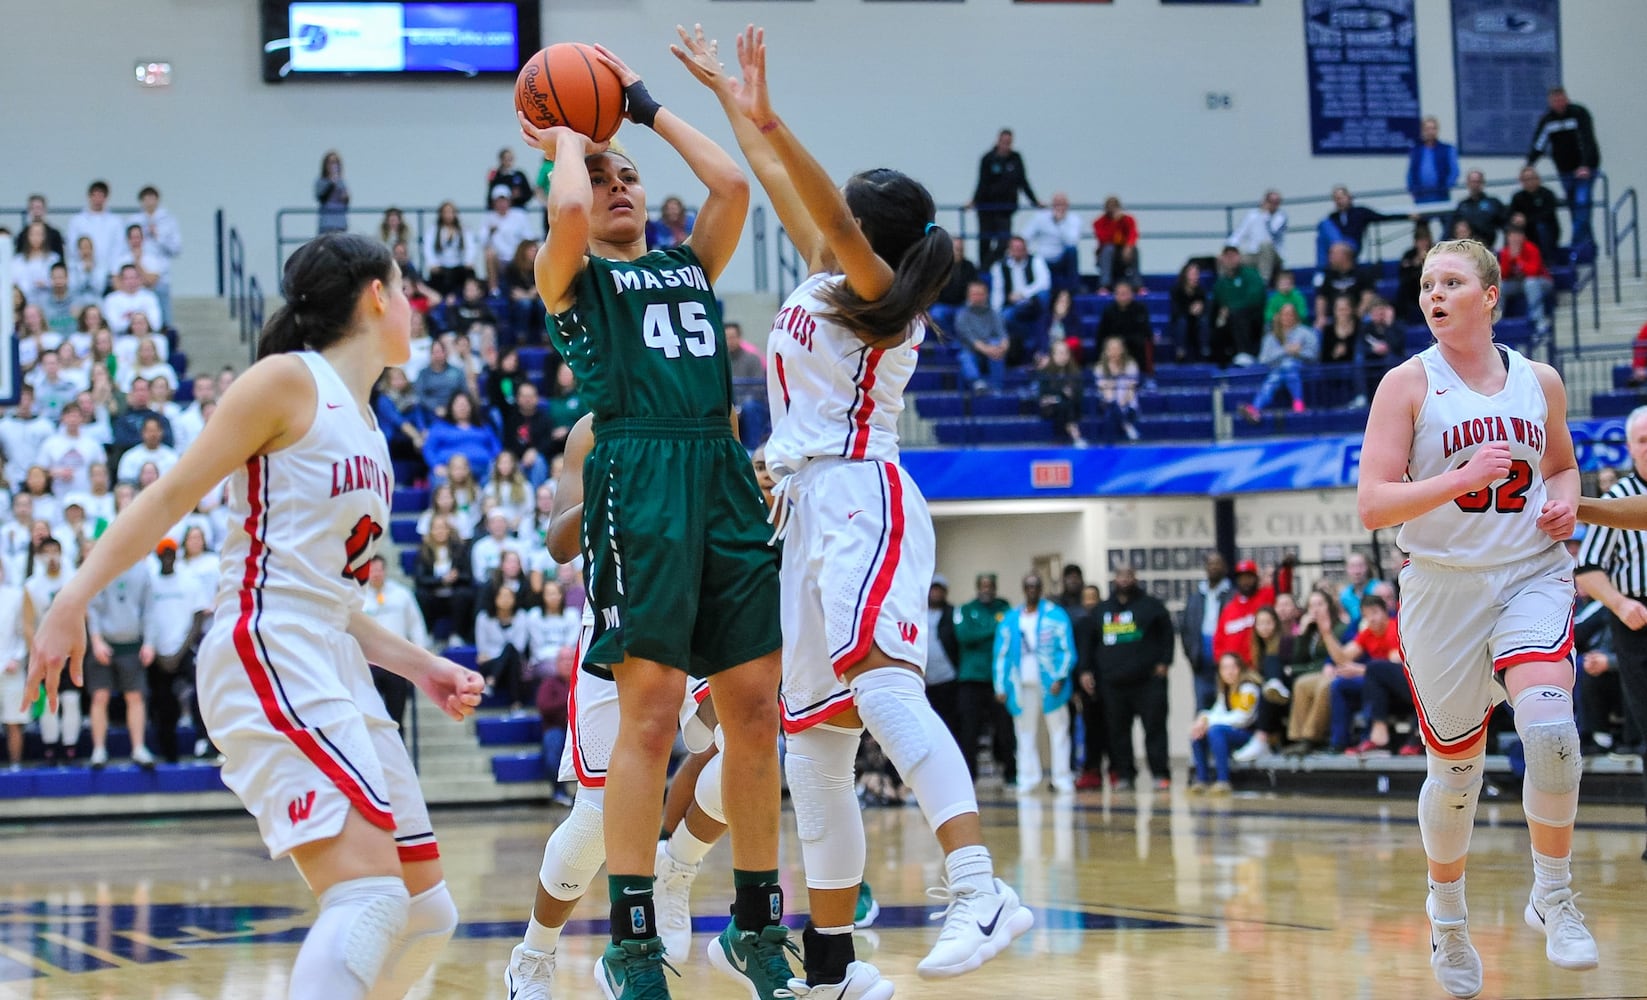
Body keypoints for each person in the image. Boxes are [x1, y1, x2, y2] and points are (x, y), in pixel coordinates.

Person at [27, 233, 486, 999]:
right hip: (264, 643)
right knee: (369, 896)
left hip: (324, 648)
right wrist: (71, 599)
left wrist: (420, 663)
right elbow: (172, 495)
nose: (414, 310)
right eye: (405, 291)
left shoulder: (369, 425)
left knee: (423, 911)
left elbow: (331, 598)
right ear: (376, 295)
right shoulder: (285, 381)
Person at [693, 23, 1033, 994]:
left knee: (883, 693)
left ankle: (980, 887)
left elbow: (825, 204)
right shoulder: (829, 276)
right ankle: (835, 969)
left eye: (843, 210)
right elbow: (776, 176)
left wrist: (773, 111)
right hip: (801, 512)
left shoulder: (883, 290)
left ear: (871, 231)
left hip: (862, 497)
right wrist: (733, 98)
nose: (825, 210)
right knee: (817, 744)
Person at [521, 34, 795, 999]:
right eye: (604, 181)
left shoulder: (686, 264)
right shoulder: (570, 277)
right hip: (637, 478)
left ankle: (757, 926)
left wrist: (637, 108)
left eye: (628, 177)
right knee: (646, 724)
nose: (618, 187)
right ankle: (632, 943)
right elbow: (562, 208)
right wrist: (569, 139)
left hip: (716, 469)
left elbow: (731, 188)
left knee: (755, 710)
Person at [1358, 237, 1597, 998]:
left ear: (1488, 296)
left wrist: (1562, 501)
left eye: (1450, 282)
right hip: (1441, 590)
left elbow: (1559, 463)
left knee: (1552, 736)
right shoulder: (1405, 384)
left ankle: (1552, 896)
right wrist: (1455, 478)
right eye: (1426, 283)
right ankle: (1448, 916)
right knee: (1454, 773)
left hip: (1529, 573)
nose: (1433, 294)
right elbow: (1371, 503)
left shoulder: (1539, 381)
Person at [503, 414, 738, 995]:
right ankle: (533, 954)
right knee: (595, 816)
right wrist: (615, 480)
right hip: (620, 614)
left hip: (699, 608)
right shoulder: (591, 427)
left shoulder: (711, 405)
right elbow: (559, 542)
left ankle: (676, 869)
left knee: (743, 751)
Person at [1573, 404, 1647, 863]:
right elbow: (1586, 569)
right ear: (1631, 447)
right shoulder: (1619, 497)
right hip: (1637, 623)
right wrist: (1620, 603)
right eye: (1642, 441)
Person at [1094, 565, 1174, 791]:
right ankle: (1124, 774)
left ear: (1135, 578)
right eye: (1120, 576)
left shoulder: (1152, 606)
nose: (1124, 580)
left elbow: (1167, 635)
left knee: (1155, 729)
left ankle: (1160, 773)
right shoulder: (1102, 610)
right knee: (1118, 732)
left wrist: (1165, 662)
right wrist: (1090, 671)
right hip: (1114, 684)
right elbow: (1092, 642)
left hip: (1148, 682)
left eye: (1128, 575)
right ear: (1114, 579)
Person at [993, 573, 1075, 794]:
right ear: (1023, 588)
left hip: (1050, 685)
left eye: (1036, 586)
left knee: (1059, 731)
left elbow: (1067, 649)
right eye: (1028, 585)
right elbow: (1001, 654)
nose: (1032, 589)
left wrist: (1060, 676)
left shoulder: (1055, 615)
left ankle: (1062, 778)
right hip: (1020, 685)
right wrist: (1000, 685)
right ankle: (1028, 777)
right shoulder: (1011, 619)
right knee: (1024, 731)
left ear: (1041, 588)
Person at [955, 573, 1014, 784]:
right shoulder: (966, 609)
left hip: (999, 680)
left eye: (990, 586)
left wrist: (983, 631)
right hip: (971, 679)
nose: (987, 589)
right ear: (977, 587)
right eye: (983, 585)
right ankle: (969, 776)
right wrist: (994, 629)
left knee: (1005, 729)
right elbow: (964, 636)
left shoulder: (1004, 607)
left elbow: (1010, 631)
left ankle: (1010, 773)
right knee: (969, 730)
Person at [1526, 87, 1601, 252]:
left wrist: (1586, 165)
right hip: (1566, 171)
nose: (1559, 104)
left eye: (1561, 100)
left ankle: (1576, 245)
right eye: (1555, 101)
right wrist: (1529, 165)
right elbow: (1539, 145)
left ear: (1566, 99)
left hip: (1584, 170)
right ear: (1550, 103)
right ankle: (1588, 246)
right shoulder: (1548, 120)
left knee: (1582, 204)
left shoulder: (1578, 114)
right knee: (1575, 209)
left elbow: (1587, 139)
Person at [1187, 652, 1261, 795]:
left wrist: (1208, 722)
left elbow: (1243, 718)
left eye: (1233, 667)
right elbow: (1217, 712)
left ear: (1241, 668)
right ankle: (1201, 780)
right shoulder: (1226, 690)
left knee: (1215, 730)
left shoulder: (1249, 687)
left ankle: (1223, 780)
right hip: (1231, 731)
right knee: (1197, 733)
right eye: (1225, 668)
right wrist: (1202, 719)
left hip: (1249, 734)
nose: (1229, 672)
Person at [969, 128, 1039, 268]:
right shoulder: (988, 158)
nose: (1006, 145)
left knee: (1003, 243)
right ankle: (982, 272)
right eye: (1003, 141)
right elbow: (981, 182)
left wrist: (1035, 201)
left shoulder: (1016, 158)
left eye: (1009, 142)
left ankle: (987, 267)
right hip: (986, 208)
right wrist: (974, 201)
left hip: (1005, 210)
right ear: (998, 141)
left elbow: (1023, 181)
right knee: (985, 241)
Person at [1023, 193, 1081, 293]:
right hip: (1043, 258)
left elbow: (1072, 241)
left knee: (1072, 251)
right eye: (1056, 204)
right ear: (1052, 205)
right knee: (1029, 255)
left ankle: (1073, 289)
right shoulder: (1041, 217)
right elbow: (1025, 235)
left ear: (1067, 205)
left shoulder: (1074, 219)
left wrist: (1060, 222)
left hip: (1062, 258)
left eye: (1062, 204)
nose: (1059, 207)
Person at [1227, 190, 1287, 284]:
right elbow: (1239, 234)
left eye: (1277, 202)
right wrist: (1228, 249)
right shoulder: (1252, 216)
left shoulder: (1281, 217)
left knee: (1265, 246)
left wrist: (1266, 215)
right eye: (1271, 202)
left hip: (1274, 255)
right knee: (1229, 257)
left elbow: (1273, 233)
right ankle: (1227, 283)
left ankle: (1263, 282)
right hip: (1254, 254)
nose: (1274, 205)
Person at [1508, 166, 1563, 262]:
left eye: (1532, 178)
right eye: (1526, 179)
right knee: (1511, 231)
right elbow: (1510, 214)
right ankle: (1512, 264)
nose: (1530, 182)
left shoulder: (1547, 194)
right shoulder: (1517, 197)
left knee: (1541, 227)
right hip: (1525, 230)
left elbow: (1547, 214)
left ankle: (1547, 262)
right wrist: (1515, 219)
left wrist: (1526, 219)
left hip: (1547, 230)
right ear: (1521, 181)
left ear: (1538, 179)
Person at [1407, 117, 1460, 207]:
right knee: (1421, 220)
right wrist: (1412, 190)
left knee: (1446, 219)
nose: (1430, 132)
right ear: (1423, 131)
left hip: (1441, 195)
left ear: (1437, 130)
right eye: (1427, 129)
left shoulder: (1447, 149)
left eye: (1433, 128)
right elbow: (1410, 172)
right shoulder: (1416, 150)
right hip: (1421, 196)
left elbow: (1454, 171)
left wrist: (1446, 186)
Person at [1092, 196, 1140, 293]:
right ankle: (1104, 285)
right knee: (1109, 249)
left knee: (1134, 249)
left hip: (1124, 255)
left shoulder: (1128, 220)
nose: (1112, 209)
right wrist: (1115, 222)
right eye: (1110, 206)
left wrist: (1128, 246)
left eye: (1115, 206)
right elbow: (1105, 239)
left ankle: (1137, 285)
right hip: (1107, 257)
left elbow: (1133, 234)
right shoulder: (1098, 223)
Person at [314, 151, 350, 234]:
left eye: (336, 162)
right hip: (327, 223)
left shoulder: (342, 182)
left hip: (341, 224)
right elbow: (322, 198)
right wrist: (331, 183)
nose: (334, 166)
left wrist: (346, 197)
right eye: (331, 162)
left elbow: (346, 201)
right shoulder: (320, 181)